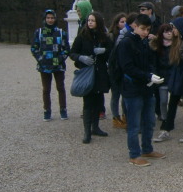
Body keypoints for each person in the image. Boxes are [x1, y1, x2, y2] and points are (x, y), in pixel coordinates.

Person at [117, 13, 165, 166]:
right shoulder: (126, 43)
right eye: (143, 29)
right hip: (132, 89)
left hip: (146, 88)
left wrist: (151, 75)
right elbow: (127, 67)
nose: (145, 32)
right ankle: (134, 154)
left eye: (148, 29)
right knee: (134, 124)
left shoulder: (144, 42)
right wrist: (147, 76)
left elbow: (150, 62)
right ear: (135, 26)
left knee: (149, 121)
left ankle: (147, 148)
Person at [69, 11, 113, 143]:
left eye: (92, 20)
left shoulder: (104, 37)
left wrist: (104, 51)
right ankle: (87, 131)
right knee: (88, 103)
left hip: (100, 73)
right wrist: (81, 58)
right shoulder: (82, 36)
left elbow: (112, 52)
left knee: (98, 101)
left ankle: (96, 127)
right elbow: (72, 53)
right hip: (87, 72)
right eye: (89, 20)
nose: (90, 23)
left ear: (98, 22)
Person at [31, 9, 69, 121]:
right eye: (48, 18)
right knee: (46, 89)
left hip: (58, 65)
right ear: (45, 19)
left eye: (52, 18)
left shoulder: (61, 32)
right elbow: (34, 48)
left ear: (55, 19)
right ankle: (47, 110)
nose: (50, 20)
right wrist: (41, 59)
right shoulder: (39, 32)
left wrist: (60, 59)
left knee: (60, 87)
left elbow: (66, 49)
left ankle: (63, 109)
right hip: (44, 65)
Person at [151, 23, 180, 141]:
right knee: (163, 101)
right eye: (166, 31)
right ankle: (164, 117)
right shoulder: (157, 46)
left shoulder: (177, 45)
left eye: (170, 31)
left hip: (173, 77)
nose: (168, 33)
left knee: (173, 101)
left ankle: (168, 122)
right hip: (161, 77)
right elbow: (154, 63)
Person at [108, 13, 127, 129]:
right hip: (114, 69)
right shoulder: (111, 36)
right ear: (116, 23)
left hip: (123, 69)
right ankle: (115, 117)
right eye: (122, 22)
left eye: (125, 22)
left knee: (125, 95)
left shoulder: (127, 35)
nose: (124, 24)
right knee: (115, 95)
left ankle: (125, 116)